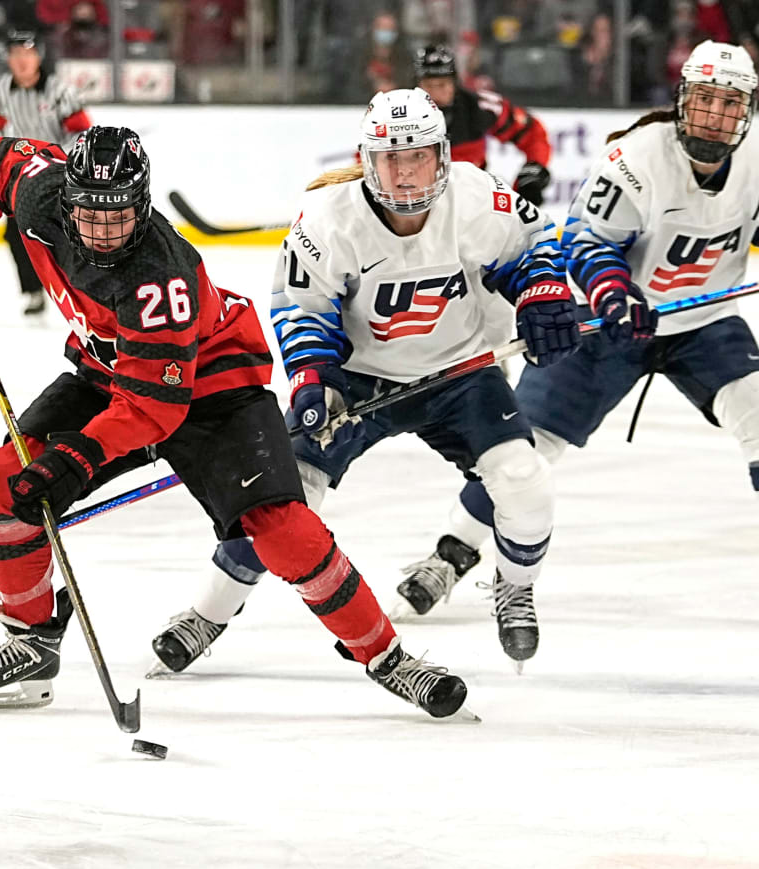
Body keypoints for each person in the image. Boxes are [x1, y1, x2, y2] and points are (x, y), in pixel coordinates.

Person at [0, 125, 472, 719]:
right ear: (66, 198)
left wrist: (76, 457)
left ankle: (385, 654)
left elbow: (153, 410)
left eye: (121, 217)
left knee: (283, 530)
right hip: (109, 370)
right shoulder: (39, 191)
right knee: (2, 479)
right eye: (91, 216)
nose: (104, 234)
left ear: (144, 204)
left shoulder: (161, 279)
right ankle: (29, 642)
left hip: (213, 386)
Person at [148, 87, 580, 674]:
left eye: (418, 156)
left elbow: (533, 246)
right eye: (390, 158)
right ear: (367, 158)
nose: (404, 174)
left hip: (458, 375)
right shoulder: (330, 219)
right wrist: (311, 380)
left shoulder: (477, 196)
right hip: (356, 383)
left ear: (442, 156)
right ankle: (209, 613)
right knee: (277, 504)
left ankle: (516, 586)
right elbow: (302, 309)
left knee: (525, 482)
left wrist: (543, 294)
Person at [398, 40, 759, 619]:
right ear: (682, 99)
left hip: (704, 322)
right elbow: (589, 243)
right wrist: (616, 293)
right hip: (607, 323)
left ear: (747, 112)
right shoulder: (635, 159)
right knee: (525, 447)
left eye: (730, 104)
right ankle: (452, 552)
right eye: (706, 100)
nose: (715, 115)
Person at [0, 30, 92, 316]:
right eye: (15, 55)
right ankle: (35, 291)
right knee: (15, 235)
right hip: (22, 177)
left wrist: (57, 162)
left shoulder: (60, 91)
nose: (22, 61)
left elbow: (82, 133)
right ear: (8, 59)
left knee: (69, 235)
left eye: (27, 54)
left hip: (61, 173)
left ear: (38, 56)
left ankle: (80, 292)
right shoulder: (0, 89)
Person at [414, 44, 553, 207]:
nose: (436, 94)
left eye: (443, 85)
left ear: (455, 83)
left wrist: (532, 173)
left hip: (473, 206)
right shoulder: (397, 115)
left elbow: (532, 132)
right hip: (417, 207)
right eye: (429, 86)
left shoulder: (480, 107)